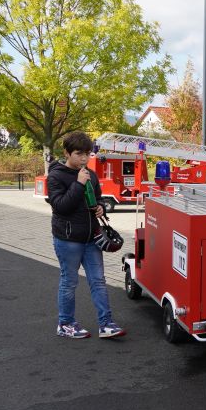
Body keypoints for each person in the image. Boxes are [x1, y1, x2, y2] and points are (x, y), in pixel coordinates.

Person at [47, 131, 126, 340]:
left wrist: (101, 207)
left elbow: (97, 199)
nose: (84, 158)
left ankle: (106, 324)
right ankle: (65, 324)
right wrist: (78, 183)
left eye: (87, 154)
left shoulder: (90, 174)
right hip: (68, 239)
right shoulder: (56, 176)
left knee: (98, 281)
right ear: (67, 153)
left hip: (92, 238)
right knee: (69, 282)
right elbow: (60, 206)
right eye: (79, 154)